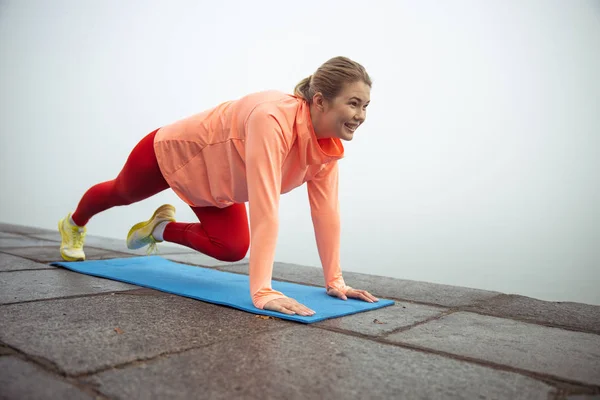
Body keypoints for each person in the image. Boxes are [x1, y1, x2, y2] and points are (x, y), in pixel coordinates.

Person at [57, 56, 379, 317]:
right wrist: (262, 291)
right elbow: (265, 208)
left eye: (365, 106)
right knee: (121, 193)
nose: (360, 115)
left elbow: (326, 213)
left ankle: (159, 228)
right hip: (171, 153)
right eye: (353, 104)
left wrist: (334, 280)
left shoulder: (326, 149)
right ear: (321, 101)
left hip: (216, 186)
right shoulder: (272, 120)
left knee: (232, 247)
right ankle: (74, 224)